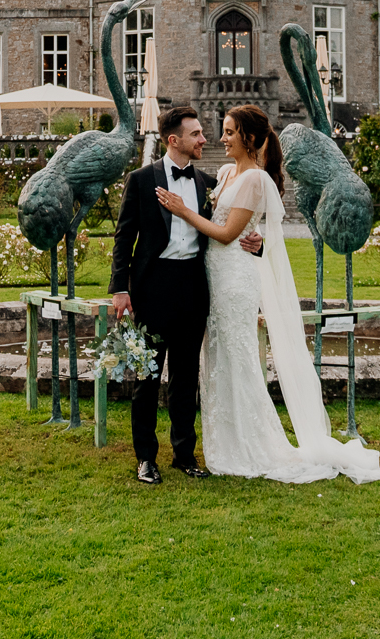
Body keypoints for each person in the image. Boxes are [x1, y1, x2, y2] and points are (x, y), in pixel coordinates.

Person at [157, 104, 380, 484]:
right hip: (213, 277)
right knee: (216, 360)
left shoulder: (256, 181)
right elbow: (224, 221)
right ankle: (224, 442)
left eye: (229, 132)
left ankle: (252, 444)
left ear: (248, 137)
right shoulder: (228, 172)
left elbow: (228, 234)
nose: (222, 138)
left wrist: (182, 211)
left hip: (235, 282)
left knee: (239, 359)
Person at [108, 106, 263, 485]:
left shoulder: (208, 182)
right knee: (147, 376)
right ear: (173, 140)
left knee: (185, 376)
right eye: (196, 134)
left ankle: (183, 454)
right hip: (152, 286)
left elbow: (234, 222)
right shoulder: (141, 180)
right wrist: (120, 289)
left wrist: (260, 244)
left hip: (193, 286)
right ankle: (146, 458)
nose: (204, 140)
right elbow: (123, 238)